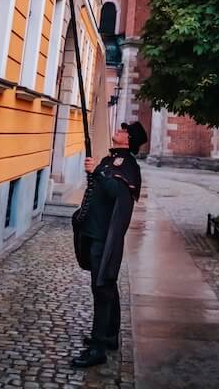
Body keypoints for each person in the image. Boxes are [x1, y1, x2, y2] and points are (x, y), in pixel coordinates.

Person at [71, 120, 147, 368]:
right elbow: (99, 188)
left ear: (129, 140)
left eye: (125, 131)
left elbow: (118, 192)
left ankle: (98, 348)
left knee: (102, 289)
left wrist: (98, 172)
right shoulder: (109, 159)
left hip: (105, 238)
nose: (120, 131)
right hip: (93, 232)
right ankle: (110, 335)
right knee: (107, 287)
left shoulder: (130, 166)